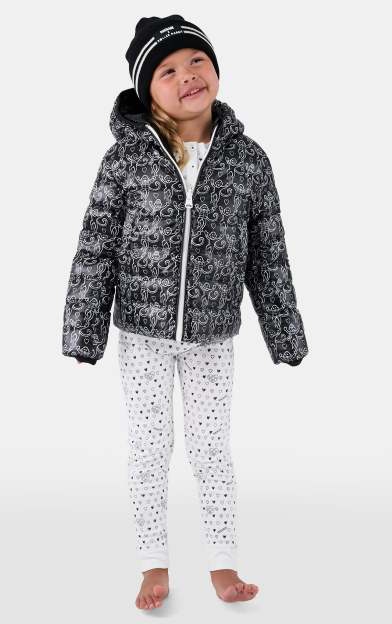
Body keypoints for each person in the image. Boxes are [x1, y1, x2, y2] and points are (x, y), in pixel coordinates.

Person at [61, 14, 309, 609]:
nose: (187, 75)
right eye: (167, 70)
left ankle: (223, 563)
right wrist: (83, 330)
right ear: (148, 90)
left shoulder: (248, 160)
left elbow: (268, 252)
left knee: (211, 450)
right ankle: (153, 565)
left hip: (212, 336)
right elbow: (96, 245)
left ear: (215, 68)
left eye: (197, 60)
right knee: (149, 451)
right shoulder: (125, 160)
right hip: (143, 335)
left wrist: (285, 334)